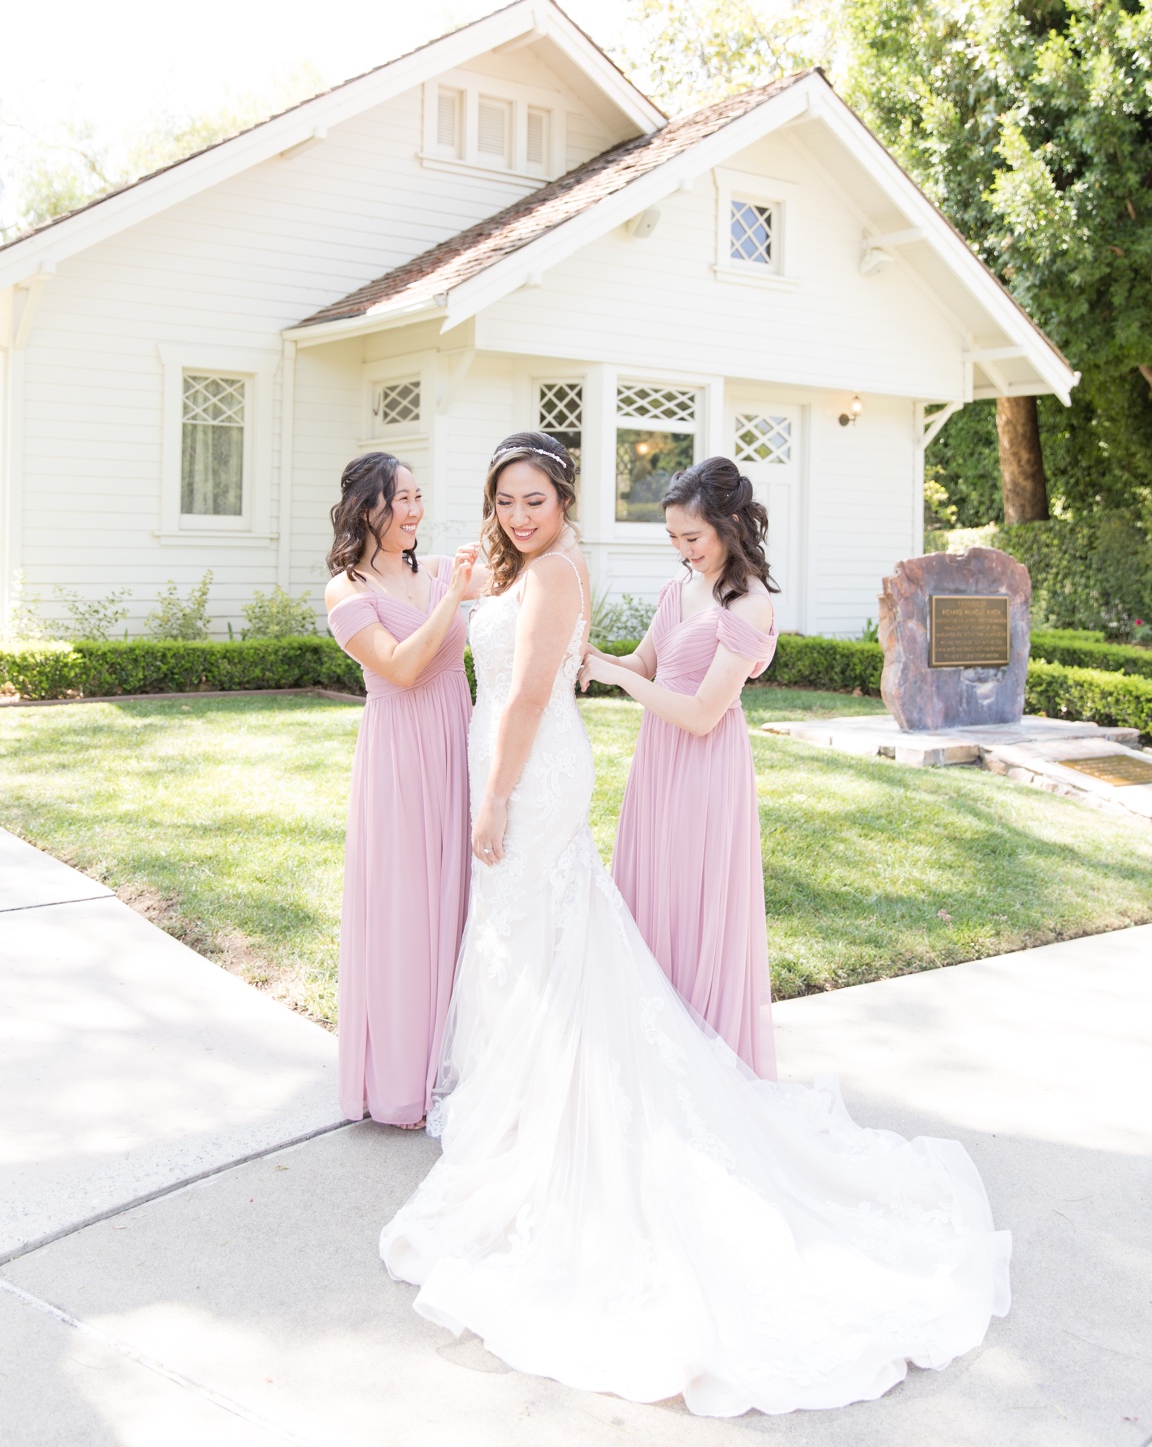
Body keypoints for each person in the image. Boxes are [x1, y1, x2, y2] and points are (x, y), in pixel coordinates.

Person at [380, 431, 1010, 1417]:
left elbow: (544, 694)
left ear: (566, 502)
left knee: (547, 939)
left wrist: (497, 794)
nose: (517, 515)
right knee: (535, 945)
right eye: (505, 499)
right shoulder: (571, 574)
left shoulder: (608, 583)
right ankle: (519, 1099)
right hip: (555, 765)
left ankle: (553, 1116)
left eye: (535, 501)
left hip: (543, 773)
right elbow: (596, 660)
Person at [589, 456, 777, 1077]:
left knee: (694, 905)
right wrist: (592, 655)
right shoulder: (678, 588)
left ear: (729, 525)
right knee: (647, 898)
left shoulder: (748, 605)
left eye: (691, 537)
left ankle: (701, 1065)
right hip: (657, 764)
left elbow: (701, 713)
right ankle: (650, 1054)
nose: (682, 549)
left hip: (704, 767)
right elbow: (645, 663)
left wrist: (617, 680)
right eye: (672, 537)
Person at [325, 452, 477, 1129]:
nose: (415, 510)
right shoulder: (347, 591)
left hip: (460, 740)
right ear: (368, 509)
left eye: (419, 496)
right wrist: (452, 597)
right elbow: (404, 669)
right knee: (407, 905)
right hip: (399, 753)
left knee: (465, 895)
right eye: (401, 499)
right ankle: (400, 1081)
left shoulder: (442, 568)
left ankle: (461, 1064)